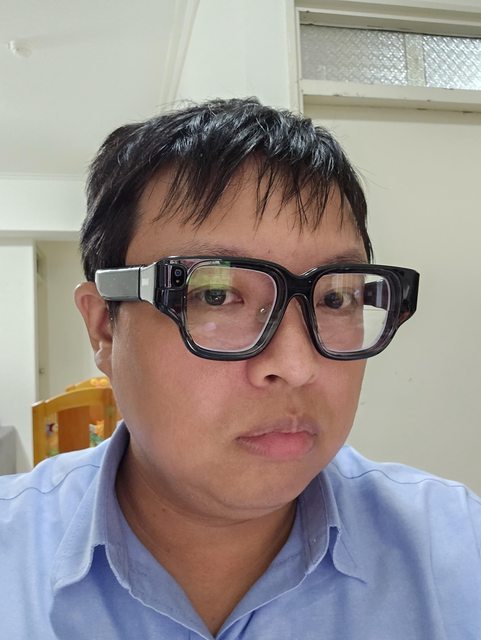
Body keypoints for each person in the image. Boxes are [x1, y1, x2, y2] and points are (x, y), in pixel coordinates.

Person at [1, 98, 480, 640]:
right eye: (216, 294)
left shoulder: (456, 552)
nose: (297, 365)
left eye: (335, 298)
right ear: (104, 330)